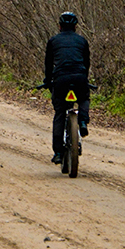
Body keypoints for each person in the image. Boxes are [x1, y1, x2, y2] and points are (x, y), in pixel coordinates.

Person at [43, 11, 90, 164]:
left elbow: (49, 64)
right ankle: (83, 121)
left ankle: (58, 152)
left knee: (60, 112)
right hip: (79, 77)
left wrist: (48, 80)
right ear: (76, 26)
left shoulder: (53, 41)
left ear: (60, 26)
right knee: (83, 98)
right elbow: (86, 63)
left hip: (61, 79)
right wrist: (84, 78)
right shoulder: (82, 41)